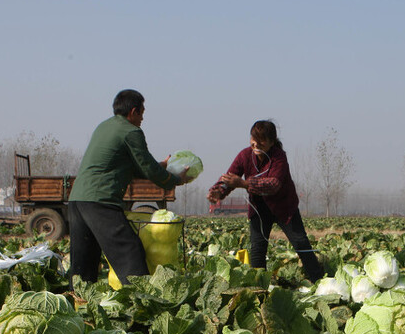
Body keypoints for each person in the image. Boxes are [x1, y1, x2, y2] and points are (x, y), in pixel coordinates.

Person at [67, 89, 186, 285]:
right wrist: (176, 179)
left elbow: (132, 166)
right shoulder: (131, 132)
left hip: (78, 199)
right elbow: (148, 169)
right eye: (142, 113)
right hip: (100, 201)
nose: (142, 119)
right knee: (129, 250)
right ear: (133, 111)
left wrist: (159, 165)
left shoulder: (104, 127)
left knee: (83, 261)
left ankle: (77, 303)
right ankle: (141, 302)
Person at [207, 120, 324, 282]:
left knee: (301, 244)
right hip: (259, 209)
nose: (255, 143)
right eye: (253, 138)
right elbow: (229, 177)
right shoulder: (244, 155)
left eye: (261, 140)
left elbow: (273, 184)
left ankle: (318, 280)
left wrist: (243, 184)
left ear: (271, 142)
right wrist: (218, 191)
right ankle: (259, 288)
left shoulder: (278, 157)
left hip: (284, 207)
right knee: (257, 250)